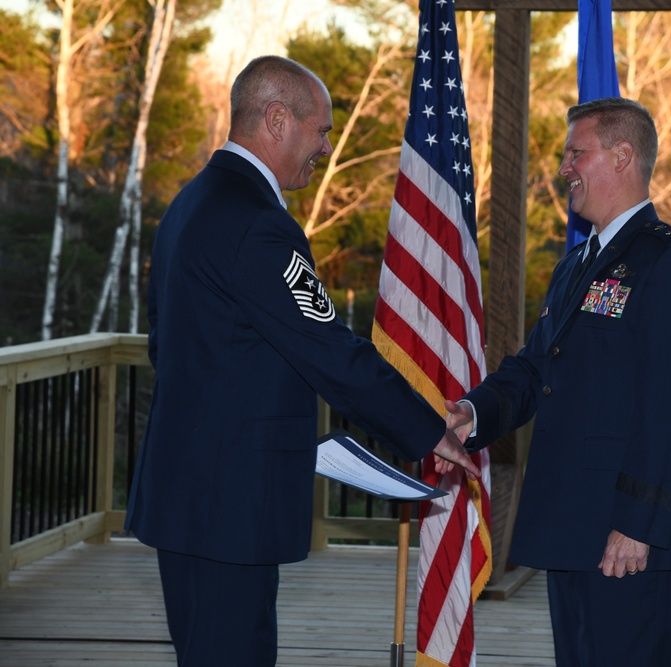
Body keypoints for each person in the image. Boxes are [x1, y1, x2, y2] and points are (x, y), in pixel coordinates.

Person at [124, 55, 479, 667]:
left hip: (191, 496)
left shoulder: (187, 205)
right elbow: (330, 350)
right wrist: (425, 428)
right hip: (228, 508)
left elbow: (166, 344)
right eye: (321, 130)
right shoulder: (258, 224)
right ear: (277, 118)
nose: (323, 146)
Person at [446, 97, 671, 666]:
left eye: (577, 153)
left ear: (622, 157)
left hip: (626, 538)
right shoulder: (575, 264)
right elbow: (534, 368)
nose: (564, 167)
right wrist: (472, 414)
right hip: (571, 526)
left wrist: (638, 524)